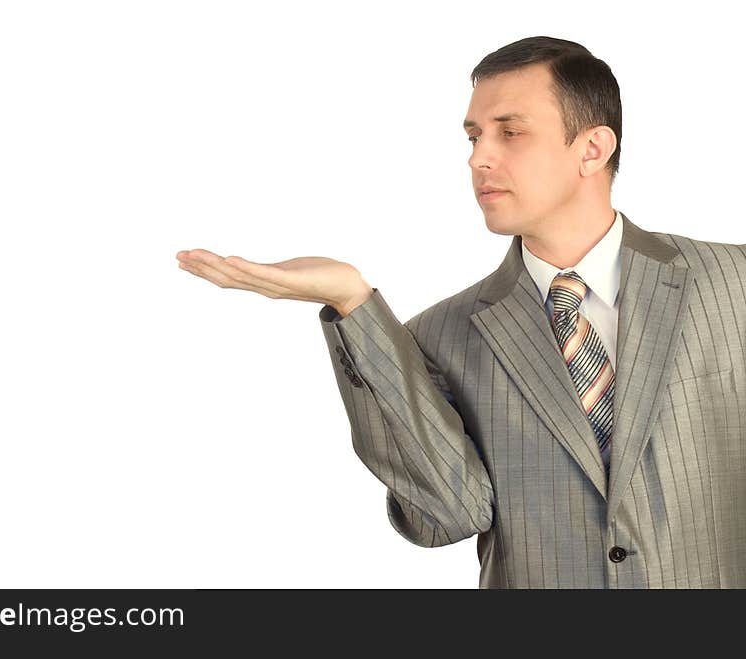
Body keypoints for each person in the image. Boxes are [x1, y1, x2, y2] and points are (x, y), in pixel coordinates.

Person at [176, 36, 745, 588]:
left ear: (593, 148)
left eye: (510, 132)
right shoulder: (438, 336)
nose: (479, 158)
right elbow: (445, 514)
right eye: (473, 136)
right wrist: (352, 304)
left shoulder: (732, 281)